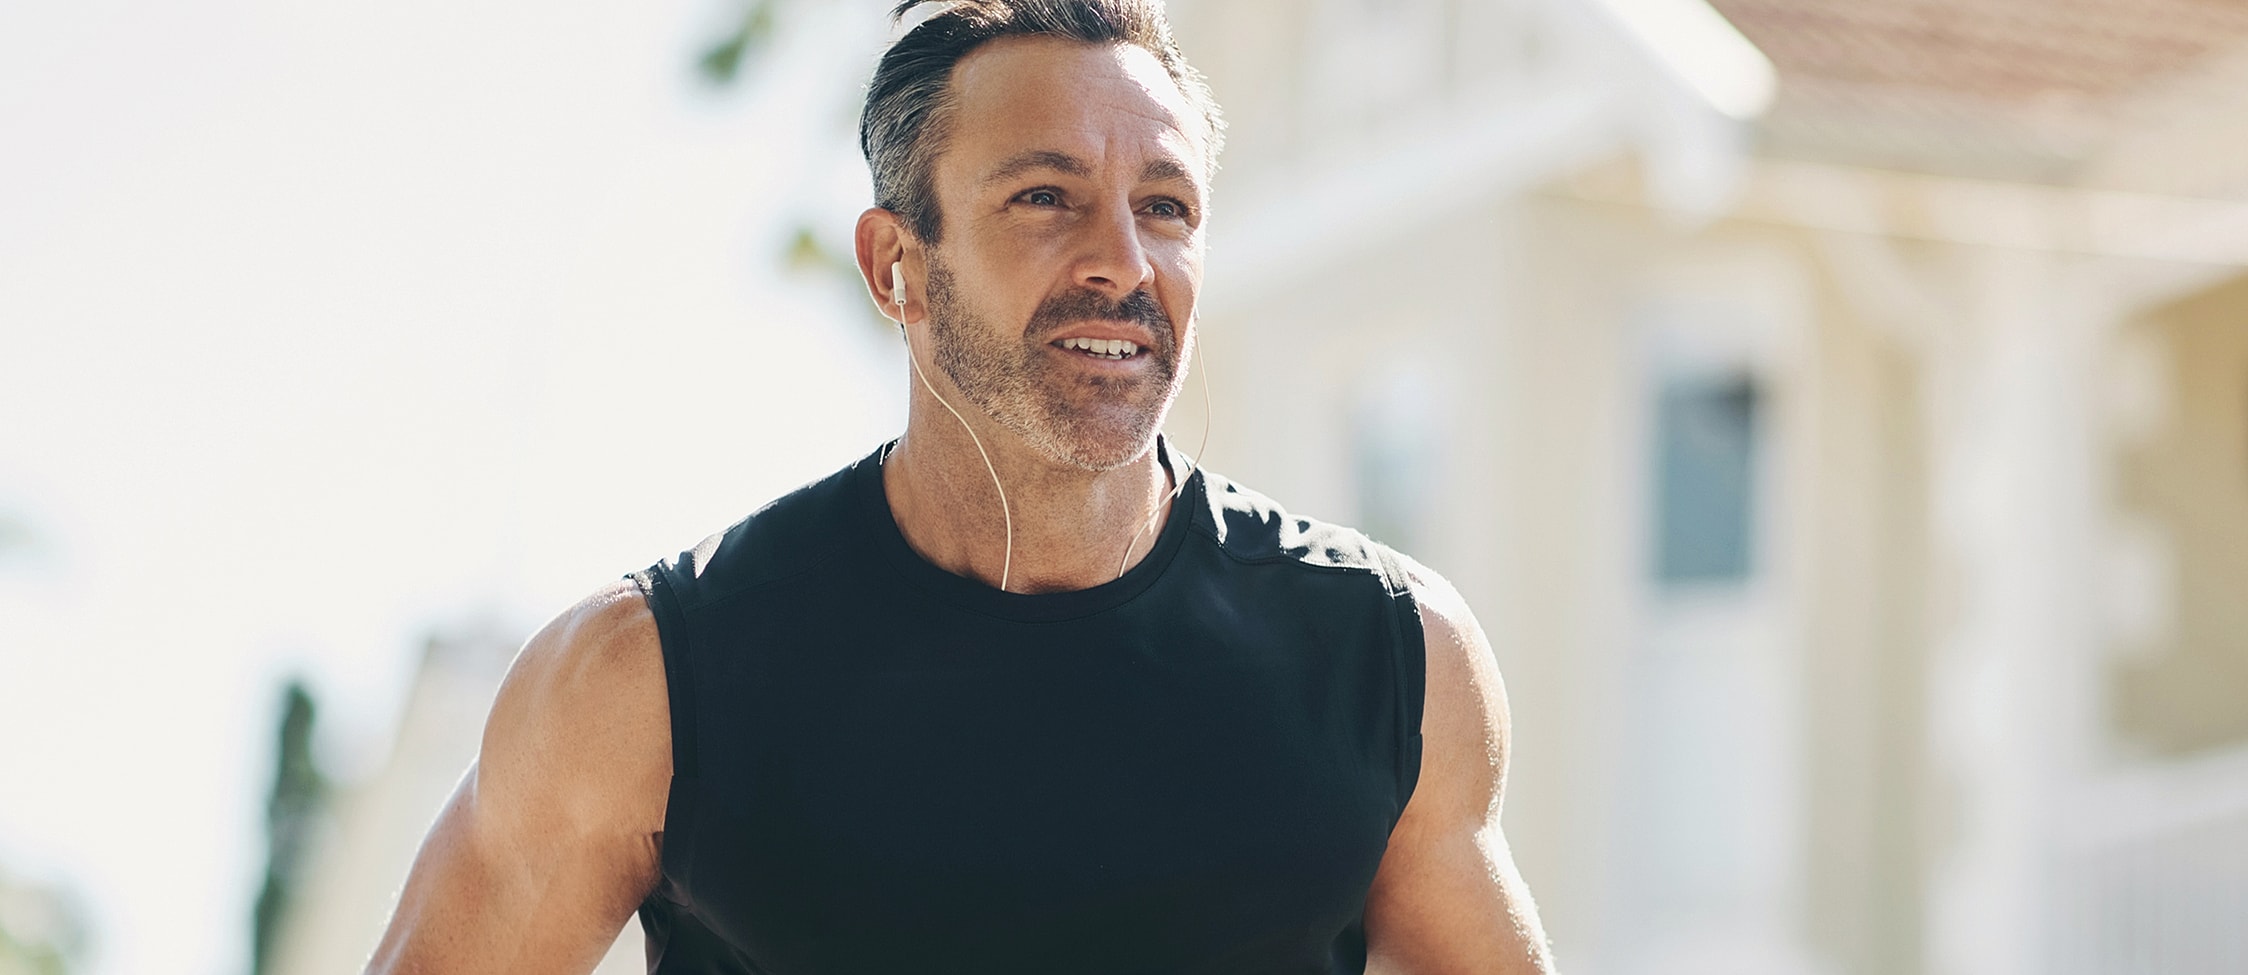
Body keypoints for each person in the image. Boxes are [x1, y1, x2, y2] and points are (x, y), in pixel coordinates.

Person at [366, 1, 1554, 972]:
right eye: (1044, 198)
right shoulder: (646, 681)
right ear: (896, 266)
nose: (1122, 262)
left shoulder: (1388, 662)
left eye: (1165, 208)